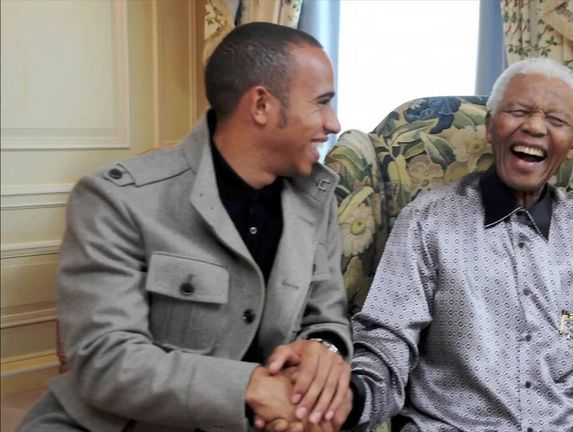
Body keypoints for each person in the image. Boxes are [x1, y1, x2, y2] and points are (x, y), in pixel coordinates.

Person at [19, 22, 353, 432]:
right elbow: (105, 360)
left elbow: (327, 317)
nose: (334, 123)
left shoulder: (315, 200)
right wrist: (249, 387)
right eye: (321, 103)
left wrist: (322, 350)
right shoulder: (116, 198)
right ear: (261, 105)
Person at [343, 58, 573, 431]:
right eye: (519, 111)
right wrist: (352, 395)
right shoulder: (426, 222)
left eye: (555, 120)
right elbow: (388, 337)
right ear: (491, 127)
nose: (535, 127)